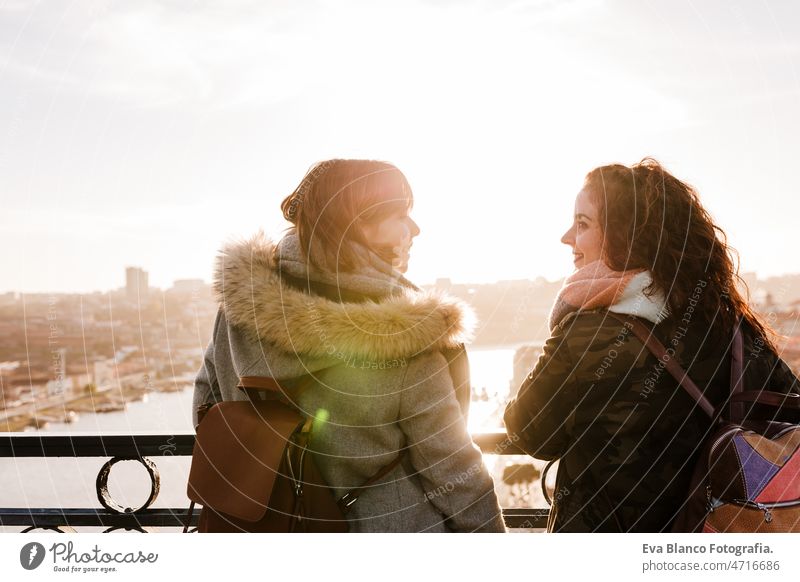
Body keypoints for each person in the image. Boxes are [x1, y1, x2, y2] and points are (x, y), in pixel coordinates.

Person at [193, 159, 506, 533]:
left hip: (261, 527)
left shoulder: (241, 308)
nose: (415, 229)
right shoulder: (405, 333)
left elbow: (205, 406)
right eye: (401, 215)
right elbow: (452, 469)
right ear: (359, 223)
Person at [504, 158, 800, 532]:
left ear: (624, 236)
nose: (567, 238)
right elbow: (791, 409)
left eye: (582, 224)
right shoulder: (729, 327)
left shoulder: (587, 332)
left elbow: (528, 432)